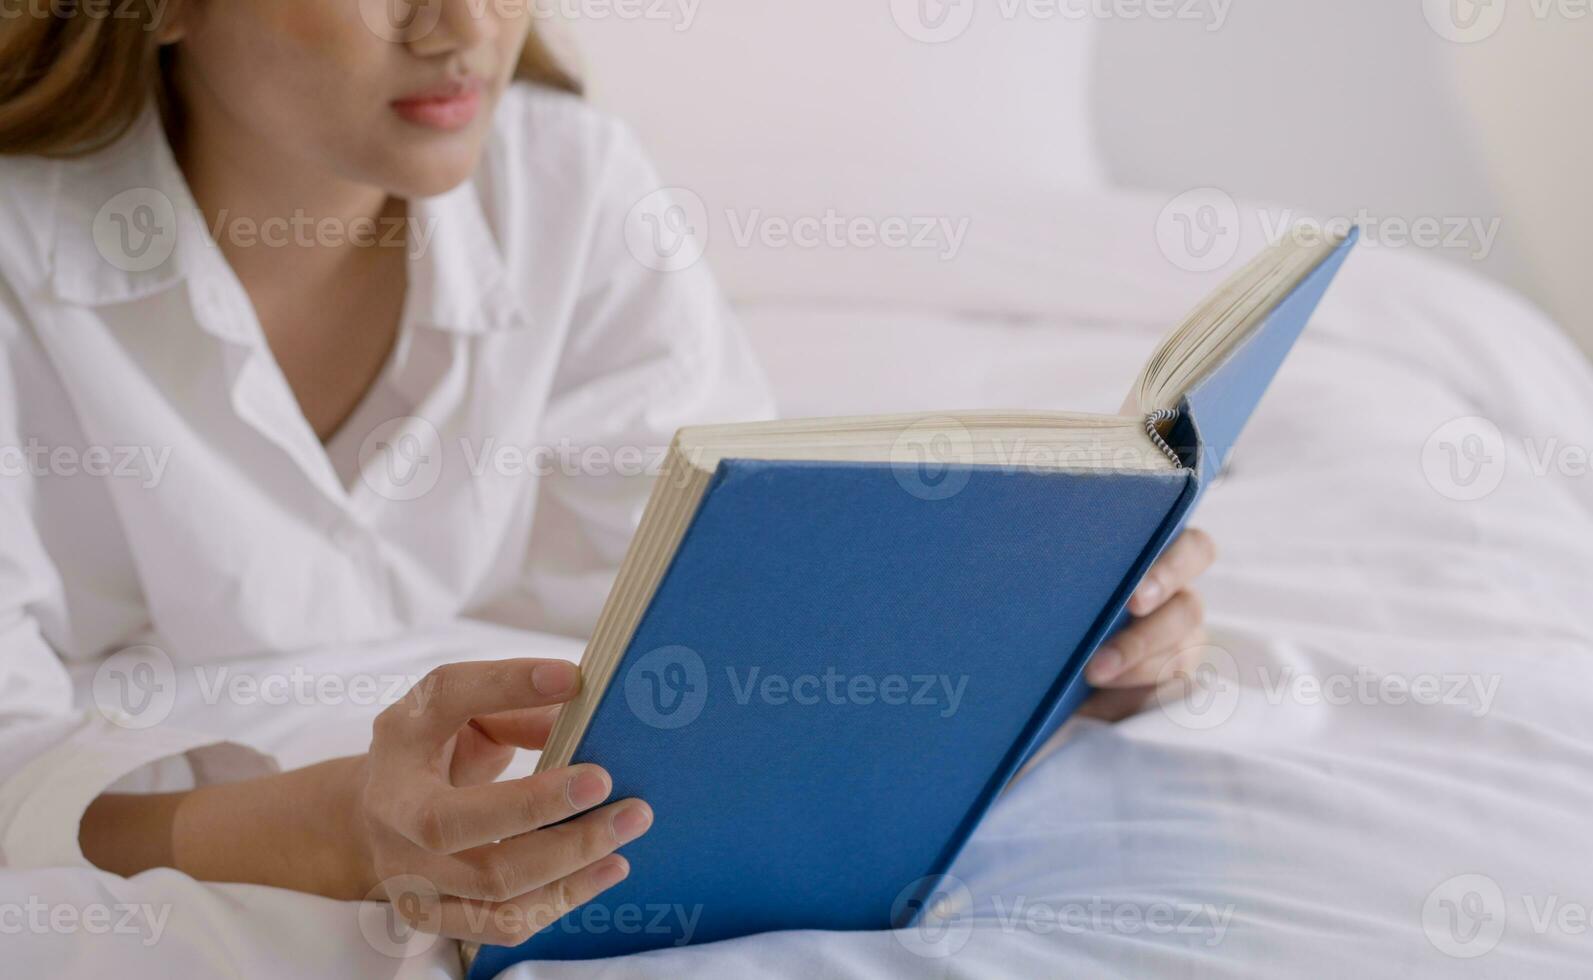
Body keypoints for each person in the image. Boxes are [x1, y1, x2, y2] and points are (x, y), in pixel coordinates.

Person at [0, 0, 1216, 948]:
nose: (465, 25)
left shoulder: (569, 183)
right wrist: (345, 836)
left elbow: (738, 622)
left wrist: (1053, 645)